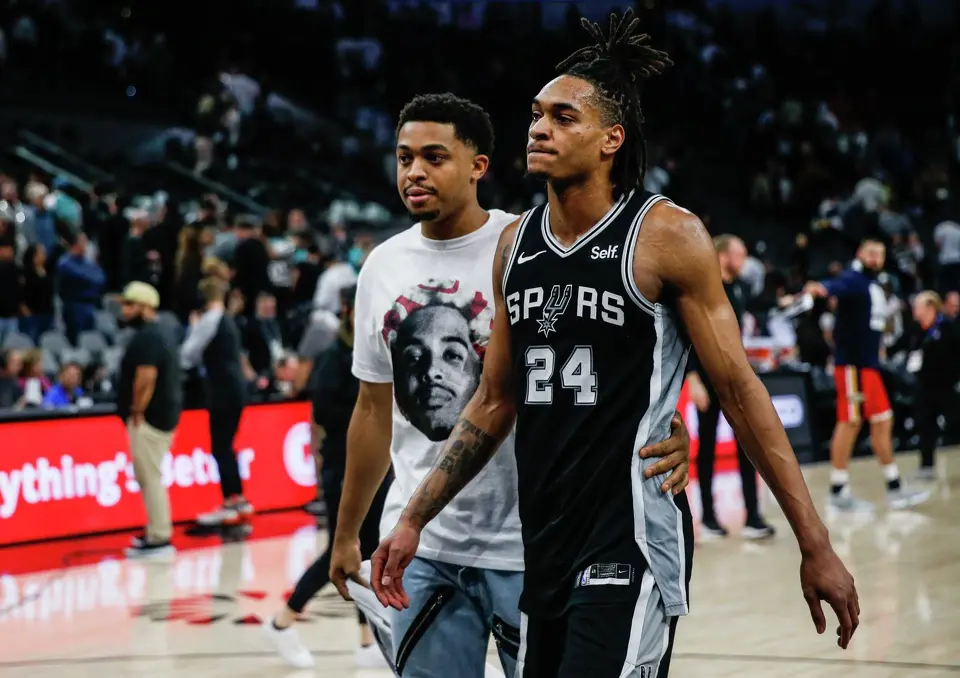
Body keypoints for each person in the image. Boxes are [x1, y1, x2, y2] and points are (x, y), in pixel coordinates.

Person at [375, 11, 860, 678]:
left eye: (564, 117)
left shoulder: (665, 234)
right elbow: (492, 402)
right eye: (537, 114)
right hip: (543, 545)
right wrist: (413, 520)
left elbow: (740, 391)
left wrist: (816, 543)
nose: (540, 128)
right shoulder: (515, 247)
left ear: (611, 138)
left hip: (629, 538)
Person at [329, 92, 692, 678]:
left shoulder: (527, 245)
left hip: (528, 542)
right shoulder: (380, 267)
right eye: (403, 158)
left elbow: (610, 371)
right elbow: (372, 412)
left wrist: (668, 428)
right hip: (422, 542)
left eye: (434, 157)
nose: (414, 172)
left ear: (478, 165)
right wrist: (347, 533)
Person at [263, 285, 391, 669]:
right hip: (344, 466)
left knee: (367, 552)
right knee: (340, 549)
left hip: (375, 464)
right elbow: (322, 414)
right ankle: (282, 621)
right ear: (348, 310)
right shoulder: (335, 358)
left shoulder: (374, 350)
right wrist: (365, 416)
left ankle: (368, 641)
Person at [803, 238, 929, 511]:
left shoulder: (873, 284)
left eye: (880, 255)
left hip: (869, 367)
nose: (876, 259)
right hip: (852, 367)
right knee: (849, 423)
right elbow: (835, 286)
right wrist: (820, 288)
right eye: (871, 253)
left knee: (883, 421)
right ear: (860, 253)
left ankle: (894, 486)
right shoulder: (854, 279)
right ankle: (837, 490)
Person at [684, 235, 774, 540]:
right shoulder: (704, 287)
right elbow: (688, 334)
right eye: (741, 253)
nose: (745, 261)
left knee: (748, 445)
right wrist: (693, 378)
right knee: (706, 447)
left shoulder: (739, 287)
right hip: (707, 377)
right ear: (724, 255)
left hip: (733, 377)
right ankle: (708, 518)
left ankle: (753, 516)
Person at [116, 282, 183, 559]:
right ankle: (157, 531)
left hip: (150, 419)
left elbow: (146, 377)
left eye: (130, 305)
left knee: (149, 477)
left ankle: (159, 537)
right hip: (162, 415)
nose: (125, 310)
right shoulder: (162, 333)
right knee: (150, 475)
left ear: (144, 307)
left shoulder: (147, 338)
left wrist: (136, 410)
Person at [181, 276, 253, 526]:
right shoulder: (229, 321)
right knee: (228, 446)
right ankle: (240, 499)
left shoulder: (209, 320)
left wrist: (192, 326)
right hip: (236, 390)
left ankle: (229, 502)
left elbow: (188, 355)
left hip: (221, 390)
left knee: (220, 447)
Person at [909, 291, 960, 479]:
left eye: (918, 306)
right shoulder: (917, 331)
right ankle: (927, 466)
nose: (915, 310)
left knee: (955, 422)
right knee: (924, 426)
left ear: (930, 307)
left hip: (947, 385)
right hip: (925, 387)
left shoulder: (947, 327)